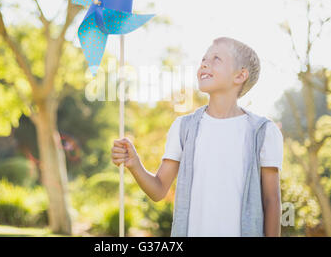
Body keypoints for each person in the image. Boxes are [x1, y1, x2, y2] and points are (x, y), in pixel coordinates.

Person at [111, 37, 284, 237]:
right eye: (203, 59)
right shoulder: (183, 128)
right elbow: (158, 190)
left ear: (240, 75)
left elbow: (272, 201)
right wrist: (135, 164)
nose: (204, 63)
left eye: (216, 58)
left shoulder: (263, 132)